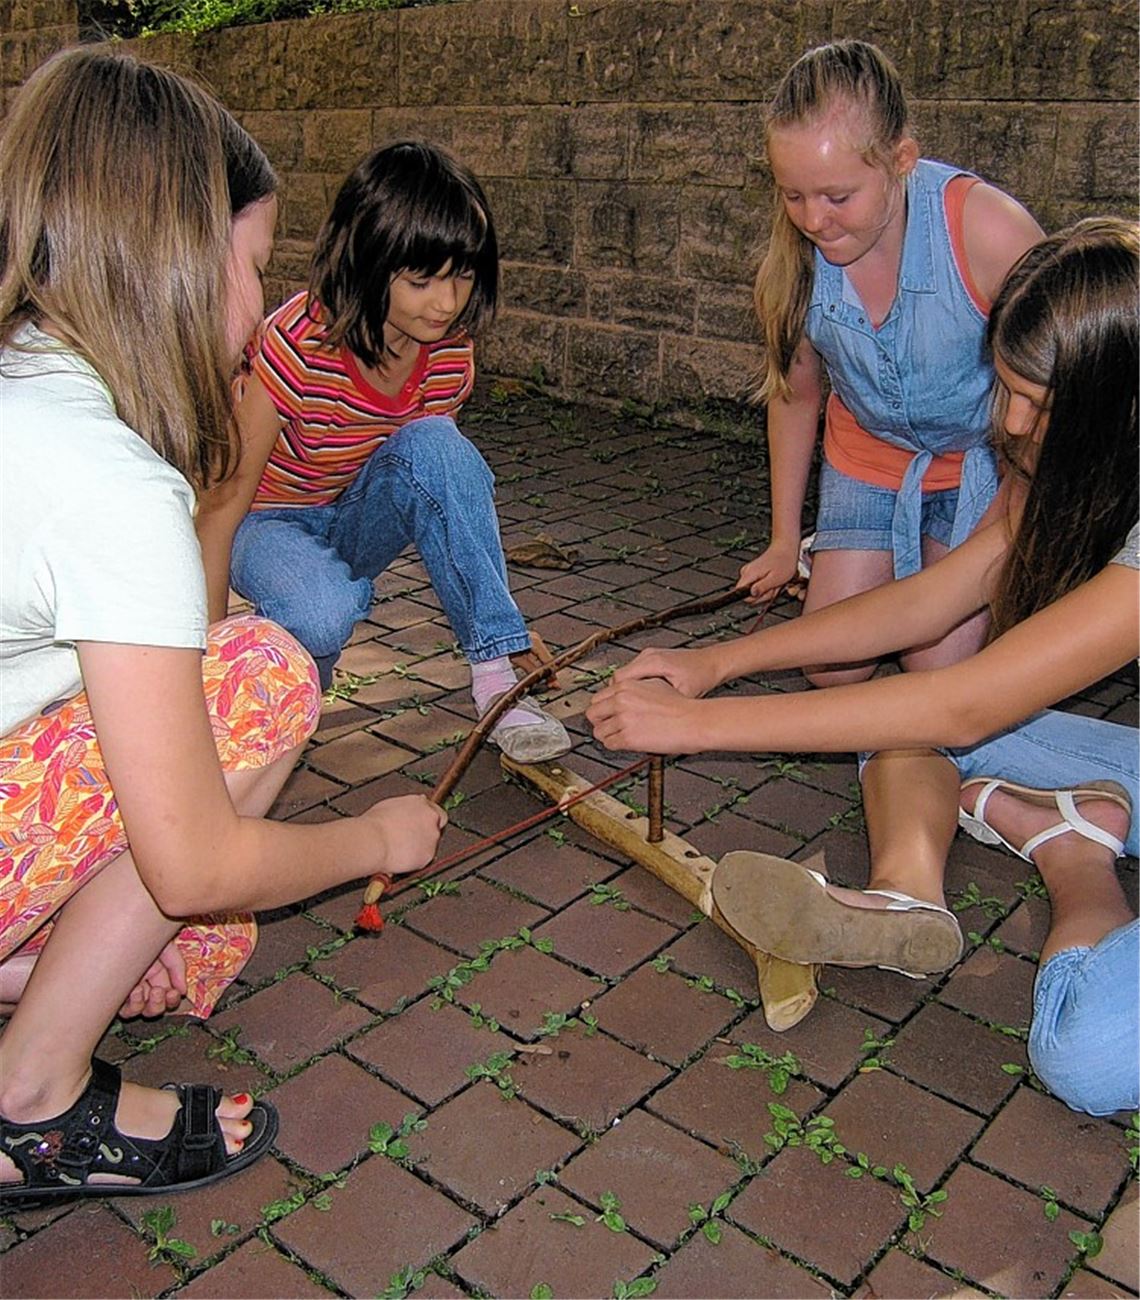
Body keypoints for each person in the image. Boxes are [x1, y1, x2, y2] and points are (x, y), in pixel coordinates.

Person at [0, 49, 446, 1204]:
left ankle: (41, 968)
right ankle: (35, 1103)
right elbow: (195, 862)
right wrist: (376, 839)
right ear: (171, 258)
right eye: (252, 266)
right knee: (263, 673)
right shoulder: (114, 482)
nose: (260, 309)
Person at [588, 217, 1139, 1116]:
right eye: (1005, 389)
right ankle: (906, 898)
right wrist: (716, 665)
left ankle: (1076, 857)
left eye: (1039, 403)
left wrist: (698, 729)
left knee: (1086, 1050)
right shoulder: (1070, 458)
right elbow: (930, 604)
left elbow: (963, 707)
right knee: (896, 710)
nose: (1010, 422)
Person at [195, 142, 570, 763]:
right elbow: (225, 497)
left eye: (463, 275)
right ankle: (295, 667)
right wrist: (205, 659)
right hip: (265, 521)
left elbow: (436, 486)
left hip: (351, 515)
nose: (446, 303)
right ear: (369, 263)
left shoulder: (450, 353)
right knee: (321, 612)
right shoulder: (300, 344)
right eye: (421, 280)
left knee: (440, 446)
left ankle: (499, 681)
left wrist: (496, 617)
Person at [740, 39, 1043, 685]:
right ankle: (857, 559)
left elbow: (1059, 395)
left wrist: (1016, 519)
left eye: (837, 196)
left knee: (936, 664)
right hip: (868, 455)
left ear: (901, 159)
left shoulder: (989, 231)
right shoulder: (795, 259)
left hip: (984, 460)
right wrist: (783, 537)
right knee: (828, 665)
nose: (813, 220)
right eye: (792, 196)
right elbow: (795, 396)